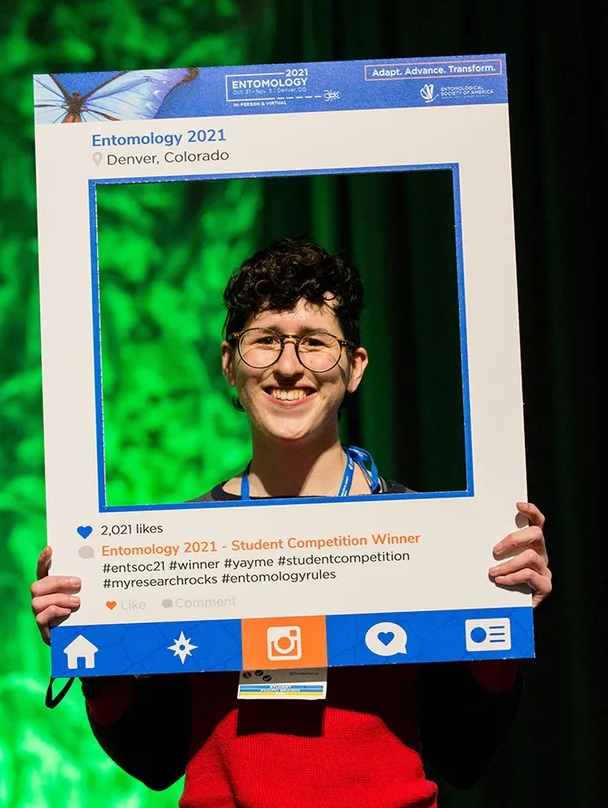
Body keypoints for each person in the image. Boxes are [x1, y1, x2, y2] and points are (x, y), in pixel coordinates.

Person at [31, 237, 552, 807]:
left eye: (314, 343)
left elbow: (463, 755)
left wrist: (502, 625)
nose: (288, 366)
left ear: (354, 368)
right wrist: (92, 651)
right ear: (230, 365)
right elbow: (154, 759)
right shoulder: (176, 547)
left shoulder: (432, 536)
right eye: (266, 343)